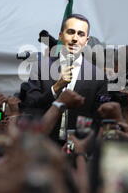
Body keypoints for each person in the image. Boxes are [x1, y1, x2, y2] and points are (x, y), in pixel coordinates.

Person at [23, 14, 107, 142]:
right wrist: (56, 87)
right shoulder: (40, 66)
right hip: (43, 144)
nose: (75, 38)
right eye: (70, 32)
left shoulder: (98, 76)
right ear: (60, 35)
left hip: (79, 146)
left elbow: (98, 117)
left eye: (80, 34)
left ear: (86, 41)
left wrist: (82, 144)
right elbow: (30, 105)